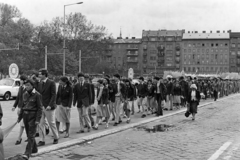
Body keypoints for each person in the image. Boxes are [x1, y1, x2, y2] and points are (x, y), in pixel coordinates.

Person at [17, 79, 43, 159]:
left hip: (33, 116)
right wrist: (19, 117)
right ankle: (34, 149)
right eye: (26, 85)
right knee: (29, 134)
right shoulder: (24, 94)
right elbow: (22, 106)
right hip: (25, 116)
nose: (26, 87)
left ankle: (27, 153)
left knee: (31, 135)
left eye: (28, 85)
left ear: (32, 86)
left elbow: (40, 108)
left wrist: (38, 119)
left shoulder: (37, 95)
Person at [38, 69, 59, 146]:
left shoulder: (51, 82)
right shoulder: (40, 83)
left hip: (49, 107)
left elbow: (54, 95)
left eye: (40, 74)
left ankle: (56, 137)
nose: (39, 75)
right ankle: (42, 140)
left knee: (51, 123)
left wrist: (50, 105)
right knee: (41, 124)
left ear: (44, 75)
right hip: (41, 106)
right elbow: (39, 94)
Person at [12, 75, 27, 145]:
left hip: (26, 109)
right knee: (24, 124)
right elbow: (18, 97)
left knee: (23, 124)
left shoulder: (27, 88)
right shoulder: (20, 88)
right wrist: (14, 106)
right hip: (20, 108)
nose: (19, 81)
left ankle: (19, 138)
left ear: (24, 81)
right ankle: (28, 137)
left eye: (20, 80)